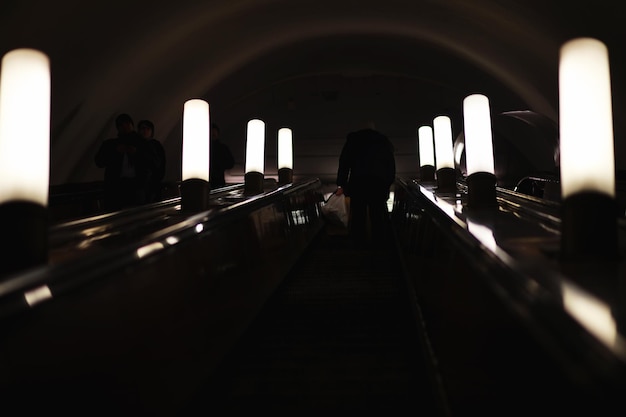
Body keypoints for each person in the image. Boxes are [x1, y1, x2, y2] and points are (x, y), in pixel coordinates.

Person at [335, 121, 396, 247]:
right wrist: (388, 183)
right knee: (378, 214)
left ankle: (358, 244)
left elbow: (344, 163)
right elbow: (390, 165)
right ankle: (380, 245)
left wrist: (341, 183)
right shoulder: (383, 141)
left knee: (358, 214)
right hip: (378, 183)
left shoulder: (353, 140)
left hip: (359, 182)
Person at [94, 113, 156, 211]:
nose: (125, 128)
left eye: (127, 125)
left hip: (138, 185)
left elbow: (153, 163)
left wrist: (137, 153)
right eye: (122, 125)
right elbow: (99, 161)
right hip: (117, 187)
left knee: (137, 213)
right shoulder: (111, 145)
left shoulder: (143, 144)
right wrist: (115, 152)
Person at [137, 119, 166, 202]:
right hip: (140, 183)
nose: (145, 131)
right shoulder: (137, 145)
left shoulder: (156, 145)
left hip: (153, 182)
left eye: (148, 129)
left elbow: (161, 164)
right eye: (143, 129)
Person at [210, 123, 235, 188]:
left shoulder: (222, 148)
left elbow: (231, 163)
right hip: (218, 180)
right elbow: (231, 163)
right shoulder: (223, 148)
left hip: (215, 181)